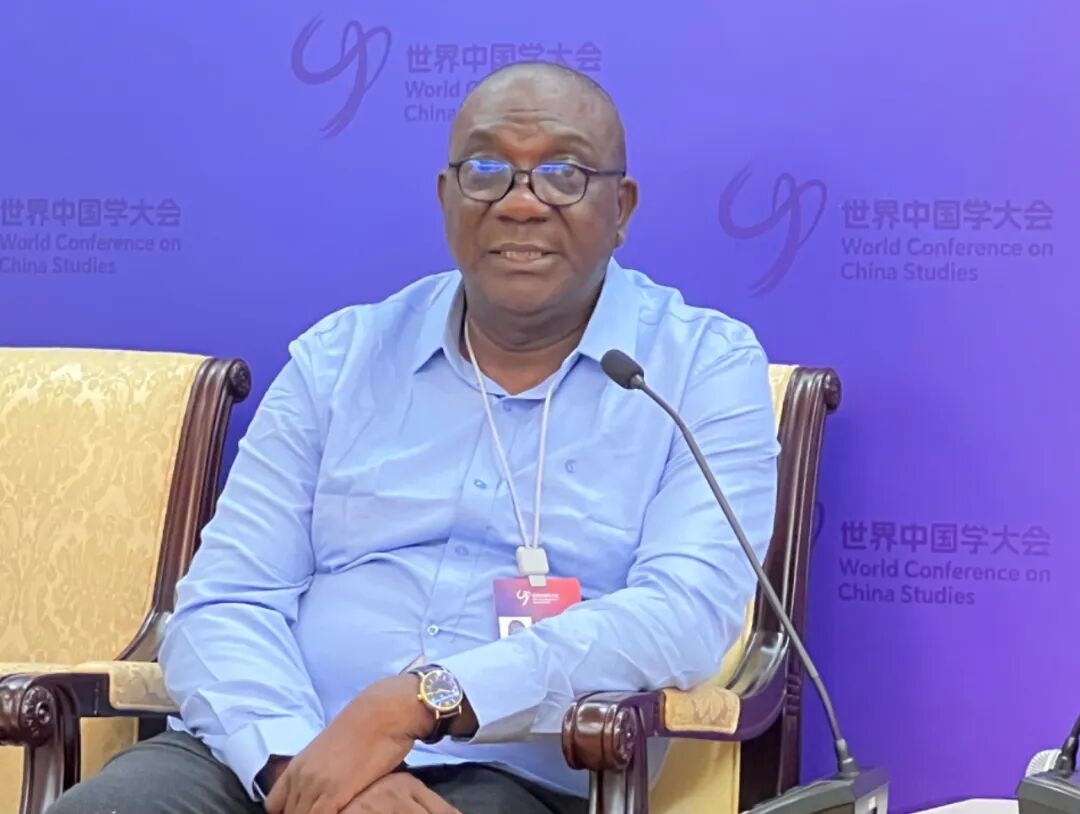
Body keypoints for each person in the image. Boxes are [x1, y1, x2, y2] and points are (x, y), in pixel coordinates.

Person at [49, 60, 779, 814]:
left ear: (620, 208)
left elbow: (683, 612)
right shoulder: (339, 358)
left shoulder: (698, 369)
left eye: (563, 174)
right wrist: (301, 765)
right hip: (272, 748)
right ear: (445, 197)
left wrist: (424, 700)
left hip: (509, 770)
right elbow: (226, 600)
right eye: (486, 171)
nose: (520, 204)